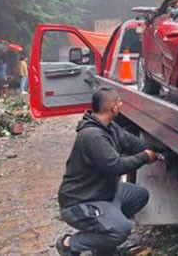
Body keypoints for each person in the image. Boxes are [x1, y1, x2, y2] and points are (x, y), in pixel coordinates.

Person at [56, 88, 158, 256]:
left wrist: (160, 150)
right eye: (119, 102)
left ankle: (104, 246)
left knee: (139, 195)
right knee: (121, 229)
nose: (121, 104)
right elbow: (116, 166)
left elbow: (132, 143)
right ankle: (70, 244)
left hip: (102, 193)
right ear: (113, 107)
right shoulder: (93, 136)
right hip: (80, 201)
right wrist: (145, 157)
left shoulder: (109, 127)